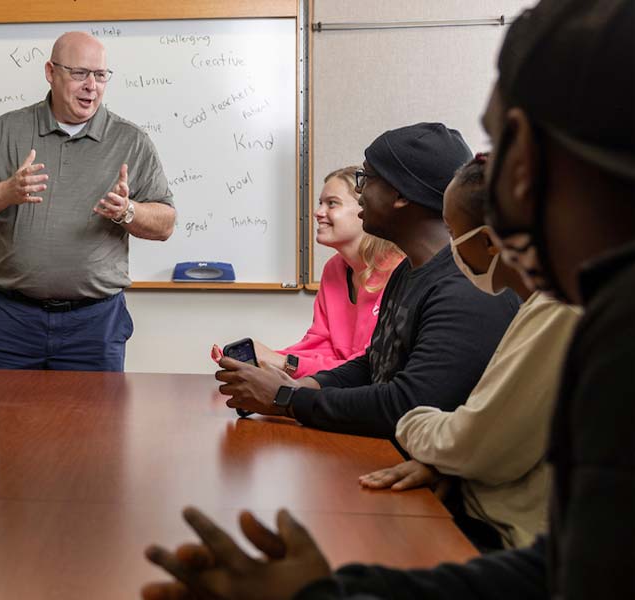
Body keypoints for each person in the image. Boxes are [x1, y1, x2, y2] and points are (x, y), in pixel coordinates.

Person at [140, 0, 635, 597]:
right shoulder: (597, 304)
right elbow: (570, 568)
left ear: (523, 158)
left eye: (492, 146)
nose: (480, 173)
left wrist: (300, 400)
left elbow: (419, 407)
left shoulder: (604, 325)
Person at [217, 123, 519, 438]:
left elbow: (407, 405)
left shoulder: (466, 287)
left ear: (401, 194)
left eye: (367, 178)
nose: (360, 193)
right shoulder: (408, 272)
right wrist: (306, 385)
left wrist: (287, 398)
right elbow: (373, 364)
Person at [359, 155, 580, 551]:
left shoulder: (557, 308)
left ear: (490, 242)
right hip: (483, 500)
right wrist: (450, 466)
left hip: (515, 539)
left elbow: (474, 444)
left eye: (451, 231)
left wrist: (415, 424)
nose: (451, 249)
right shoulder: (538, 305)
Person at [0, 31, 176, 372]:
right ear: (50, 72)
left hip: (94, 324)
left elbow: (165, 224)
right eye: (80, 73)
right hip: (7, 321)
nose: (92, 86)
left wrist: (127, 211)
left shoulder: (131, 140)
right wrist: (7, 191)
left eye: (100, 75)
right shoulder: (6, 130)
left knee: (94, 425)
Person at [211, 167, 403, 378]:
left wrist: (283, 362)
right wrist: (263, 359)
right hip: (337, 393)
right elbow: (320, 345)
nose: (318, 213)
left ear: (364, 208)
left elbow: (368, 369)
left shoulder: (399, 271)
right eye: (320, 203)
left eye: (332, 203)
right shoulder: (334, 269)